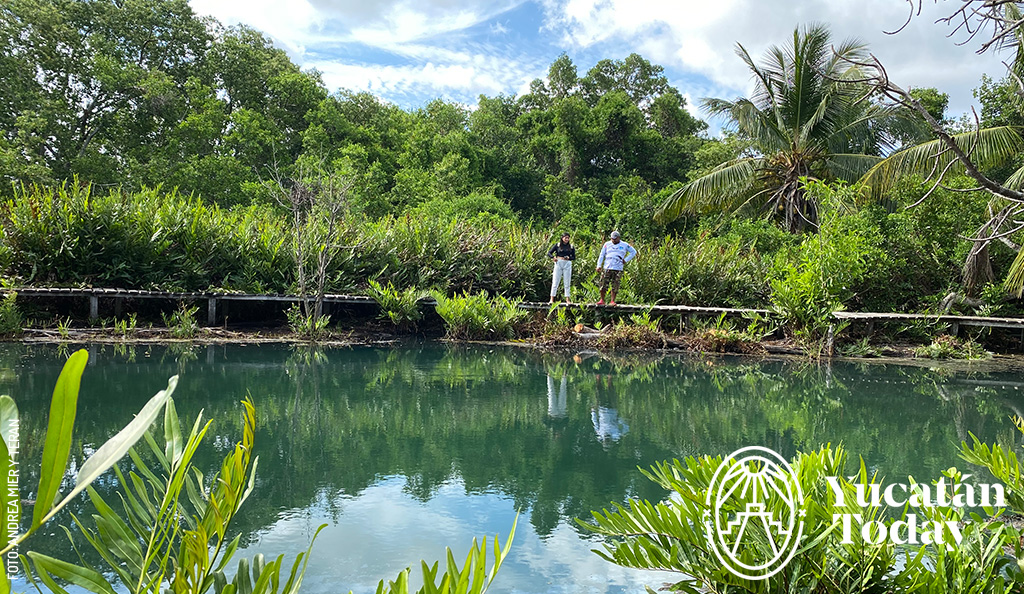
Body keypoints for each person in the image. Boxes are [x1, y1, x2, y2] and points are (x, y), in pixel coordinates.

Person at [595, 230, 637, 306]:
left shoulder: (624, 245)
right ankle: (602, 300)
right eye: (612, 239)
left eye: (615, 239)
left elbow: (633, 252)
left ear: (618, 238)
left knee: (615, 285)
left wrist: (626, 260)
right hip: (607, 266)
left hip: (618, 268)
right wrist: (599, 265)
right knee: (603, 284)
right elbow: (602, 255)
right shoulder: (607, 244)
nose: (613, 240)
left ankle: (612, 301)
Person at [547, 232, 576, 303]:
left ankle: (567, 299)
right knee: (555, 281)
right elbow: (549, 253)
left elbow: (574, 257)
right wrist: (553, 257)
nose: (567, 239)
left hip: (567, 263)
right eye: (565, 237)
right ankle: (552, 299)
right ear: (562, 238)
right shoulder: (557, 245)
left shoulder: (571, 246)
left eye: (568, 238)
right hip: (558, 262)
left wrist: (569, 257)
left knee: (567, 281)